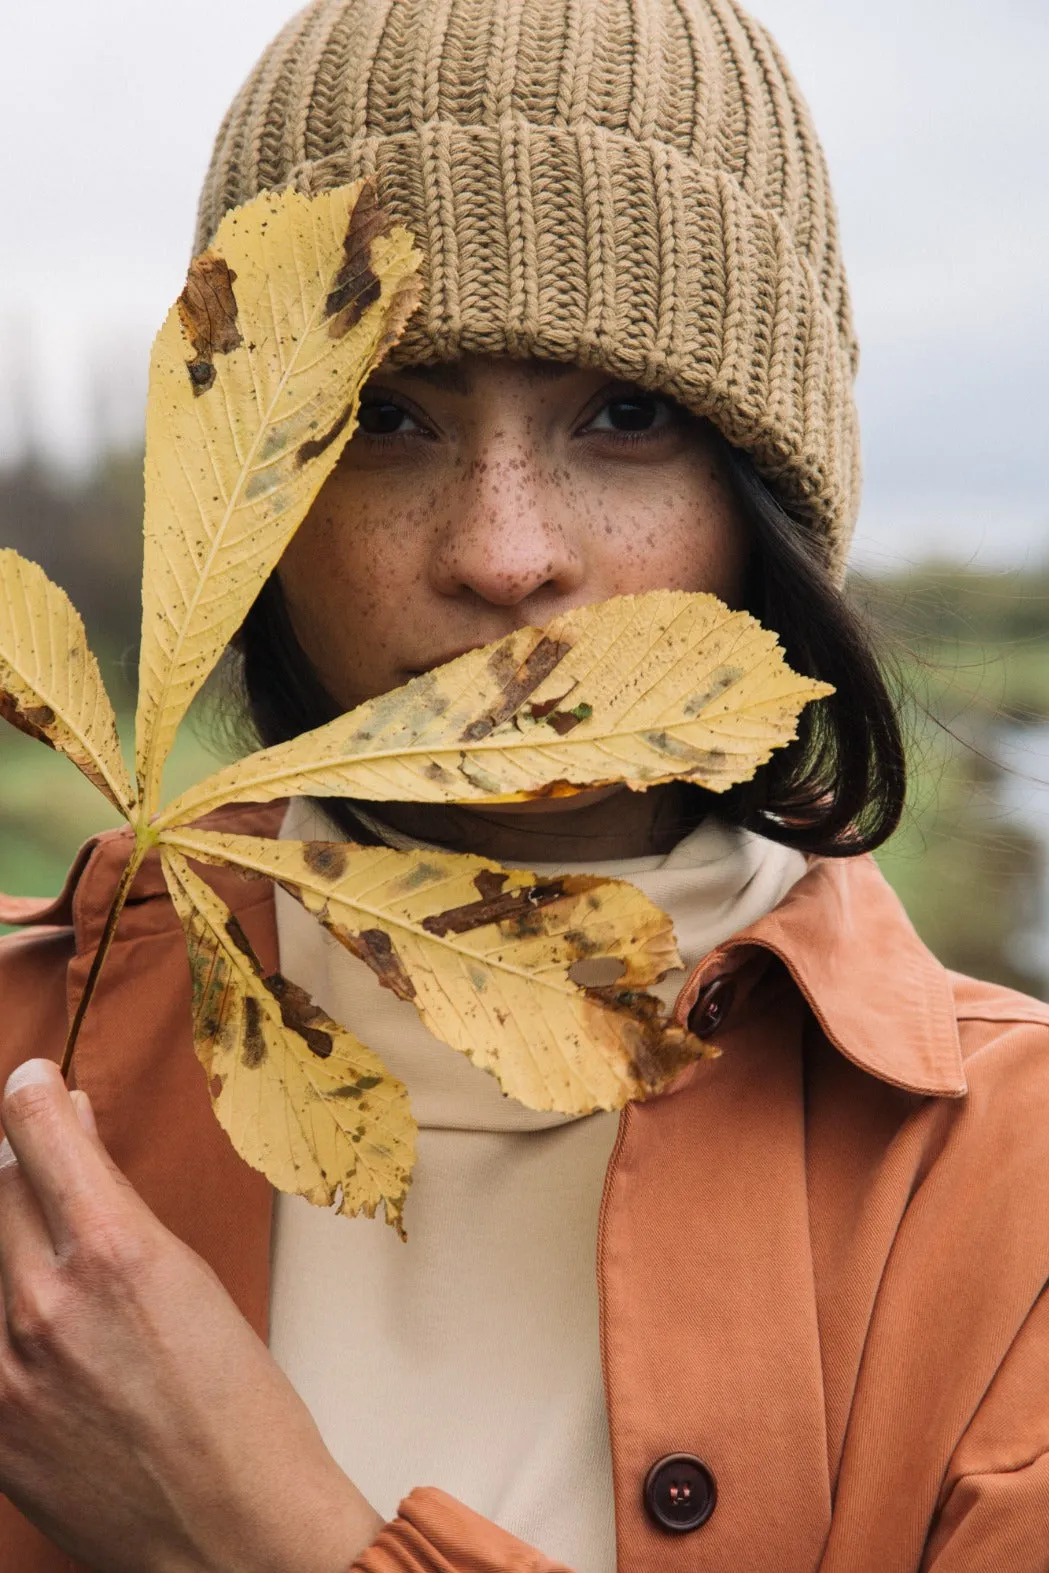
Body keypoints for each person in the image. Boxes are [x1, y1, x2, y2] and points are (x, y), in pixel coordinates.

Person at [1, 0, 1047, 1569]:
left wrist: (256, 1527)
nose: (504, 555)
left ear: (764, 505)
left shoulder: (1007, 1182)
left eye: (624, 419)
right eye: (391, 424)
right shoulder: (35, 1045)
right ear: (254, 504)